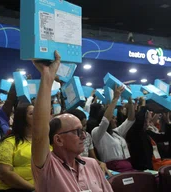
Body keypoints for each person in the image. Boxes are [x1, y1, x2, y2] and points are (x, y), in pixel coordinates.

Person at [31, 51, 113, 192]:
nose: (84, 135)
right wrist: (47, 77)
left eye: (82, 130)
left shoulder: (92, 164)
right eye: (77, 132)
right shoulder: (48, 166)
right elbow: (39, 131)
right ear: (58, 140)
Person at [0, 103, 35, 192]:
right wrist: (34, 188)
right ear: (22, 119)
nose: (38, 115)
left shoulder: (45, 140)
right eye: (32, 113)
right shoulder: (8, 143)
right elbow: (4, 173)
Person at [91, 86, 135, 173]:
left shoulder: (116, 132)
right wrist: (115, 98)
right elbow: (105, 121)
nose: (115, 120)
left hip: (127, 165)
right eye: (113, 118)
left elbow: (131, 119)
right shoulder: (97, 132)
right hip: (113, 168)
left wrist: (130, 99)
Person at [67, 109, 112, 177]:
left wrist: (100, 163)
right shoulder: (67, 139)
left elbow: (93, 158)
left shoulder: (87, 136)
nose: (83, 132)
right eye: (78, 129)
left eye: (84, 125)